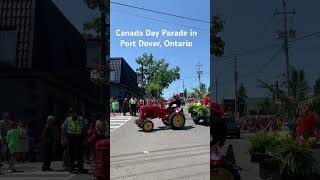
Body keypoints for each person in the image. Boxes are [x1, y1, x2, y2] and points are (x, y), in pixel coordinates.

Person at [61, 109, 86, 174]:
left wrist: (84, 139)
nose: (72, 114)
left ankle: (80, 168)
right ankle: (71, 168)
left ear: (76, 113)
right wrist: (63, 138)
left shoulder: (81, 119)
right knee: (70, 154)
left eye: (73, 113)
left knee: (80, 154)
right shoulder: (68, 119)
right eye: (71, 113)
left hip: (79, 137)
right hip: (70, 137)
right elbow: (63, 128)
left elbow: (84, 129)